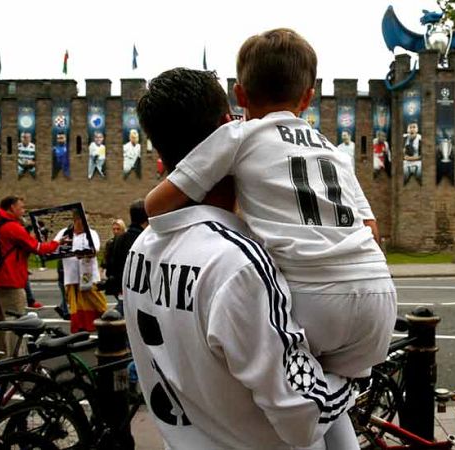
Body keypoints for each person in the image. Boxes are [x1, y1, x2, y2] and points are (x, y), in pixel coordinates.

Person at [128, 67, 354, 449]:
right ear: (227, 128)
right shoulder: (238, 263)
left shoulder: (141, 249)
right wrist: (353, 371)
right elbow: (303, 414)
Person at [0, 196, 61, 357]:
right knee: (15, 323)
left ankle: (1, 356)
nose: (24, 210)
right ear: (12, 207)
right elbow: (38, 247)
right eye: (21, 207)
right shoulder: (12, 227)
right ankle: (15, 359)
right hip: (10, 280)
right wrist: (57, 242)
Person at [53, 212, 107, 333]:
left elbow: (95, 249)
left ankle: (106, 322)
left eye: (86, 221)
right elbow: (54, 247)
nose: (85, 224)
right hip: (71, 275)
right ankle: (79, 327)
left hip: (88, 275)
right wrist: (60, 244)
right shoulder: (64, 233)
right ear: (75, 220)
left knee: (97, 301)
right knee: (75, 304)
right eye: (82, 221)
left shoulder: (91, 233)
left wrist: (84, 253)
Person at [106, 201, 148, 316]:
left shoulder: (119, 239)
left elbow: (111, 264)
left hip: (122, 287)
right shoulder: (144, 240)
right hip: (139, 292)